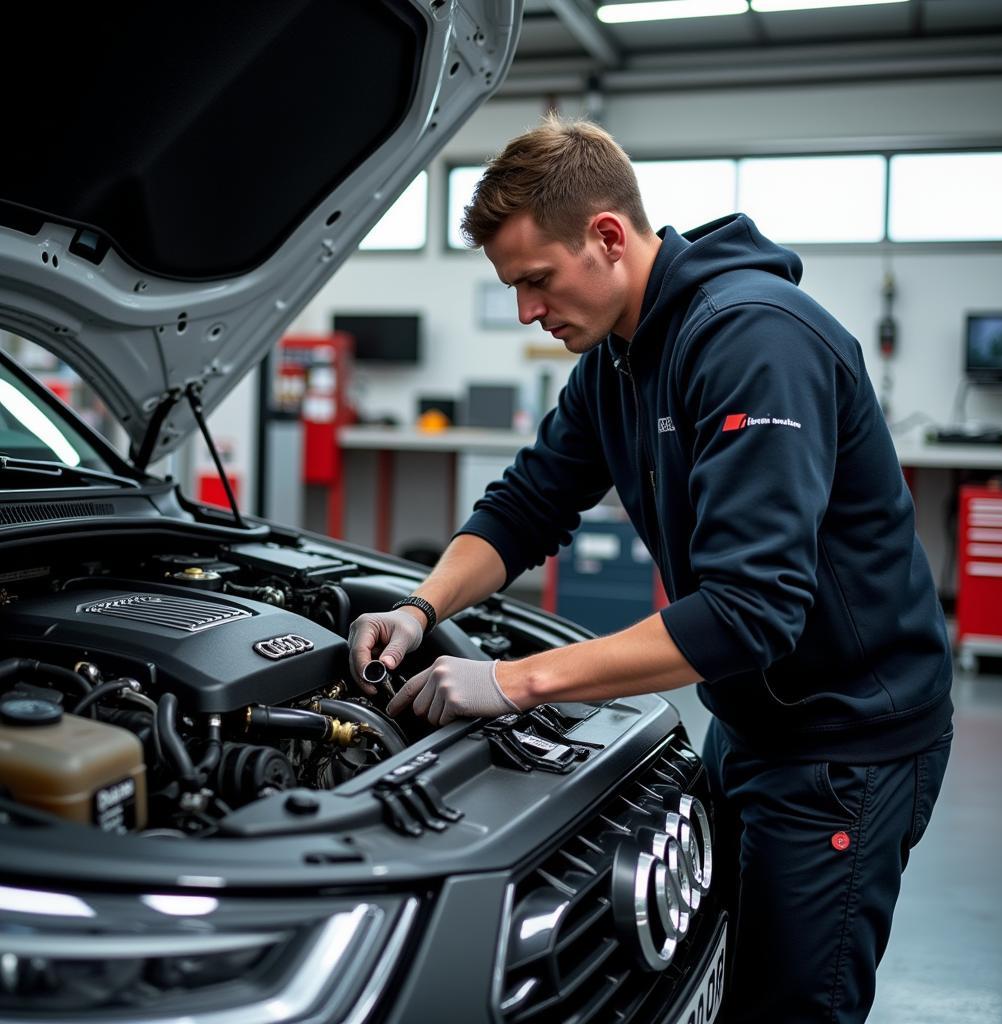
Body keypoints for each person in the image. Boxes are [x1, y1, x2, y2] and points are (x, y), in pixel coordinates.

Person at [348, 115, 953, 1023]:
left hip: (845, 746)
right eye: (512, 287)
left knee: (790, 1006)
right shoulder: (619, 359)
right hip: (753, 722)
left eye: (536, 281)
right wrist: (420, 606)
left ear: (607, 236)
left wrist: (513, 682)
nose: (525, 311)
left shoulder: (753, 341)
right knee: (710, 973)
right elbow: (526, 506)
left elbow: (752, 612)